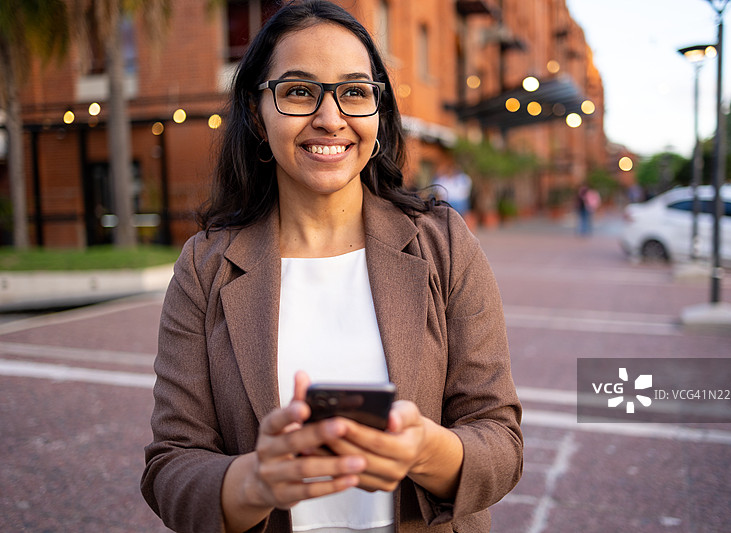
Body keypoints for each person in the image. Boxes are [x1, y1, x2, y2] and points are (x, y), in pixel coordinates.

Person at [140, 2, 522, 532]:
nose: (329, 117)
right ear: (257, 112)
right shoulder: (205, 267)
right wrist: (255, 481)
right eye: (299, 91)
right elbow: (170, 466)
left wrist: (426, 449)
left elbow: (501, 439)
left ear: (377, 112)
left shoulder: (445, 246)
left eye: (354, 92)